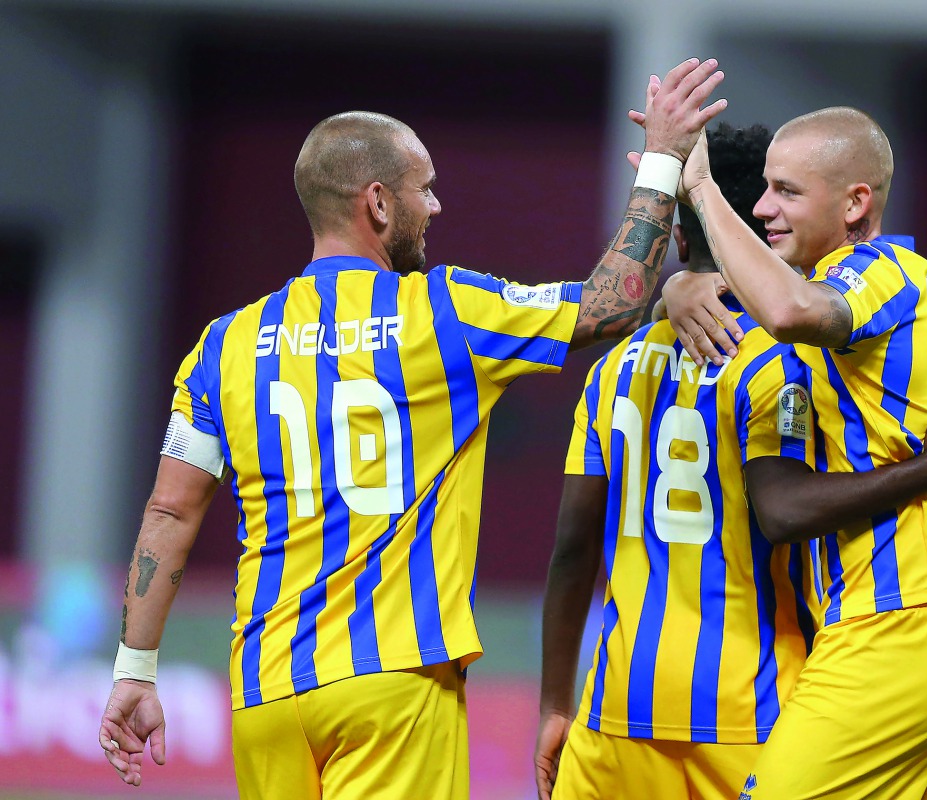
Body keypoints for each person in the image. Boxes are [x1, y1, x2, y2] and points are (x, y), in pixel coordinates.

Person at [96, 57, 727, 799]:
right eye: (423, 189)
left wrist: (135, 669)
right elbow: (609, 303)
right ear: (378, 204)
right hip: (392, 683)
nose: (436, 206)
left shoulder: (222, 346)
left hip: (267, 692)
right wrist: (662, 163)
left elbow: (170, 510)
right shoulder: (444, 316)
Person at [535, 122, 927, 800]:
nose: (774, 211)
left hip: (614, 705)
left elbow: (571, 549)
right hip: (751, 706)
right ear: (759, 240)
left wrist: (555, 705)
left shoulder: (615, 368)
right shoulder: (795, 360)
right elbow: (788, 504)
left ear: (683, 237)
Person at [661, 107, 927, 799]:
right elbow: (750, 302)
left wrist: (702, 189)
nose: (764, 207)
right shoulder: (818, 292)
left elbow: (791, 311)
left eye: (787, 192)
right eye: (763, 188)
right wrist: (679, 286)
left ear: (857, 203)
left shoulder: (881, 269)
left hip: (899, 623)